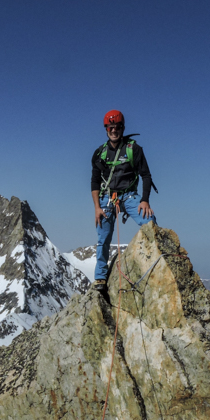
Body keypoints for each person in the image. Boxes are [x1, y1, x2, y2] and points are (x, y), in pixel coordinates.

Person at [90, 110, 156, 290]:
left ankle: (152, 262)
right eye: (110, 127)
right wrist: (97, 207)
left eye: (117, 127)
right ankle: (101, 278)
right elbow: (95, 182)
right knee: (103, 237)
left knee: (149, 222)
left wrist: (145, 201)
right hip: (107, 198)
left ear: (122, 128)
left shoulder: (134, 149)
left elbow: (146, 175)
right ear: (106, 129)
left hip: (129, 196)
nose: (114, 130)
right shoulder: (99, 153)